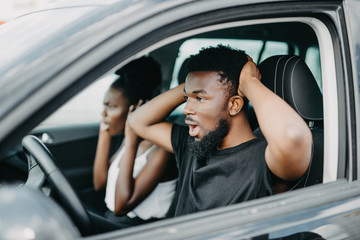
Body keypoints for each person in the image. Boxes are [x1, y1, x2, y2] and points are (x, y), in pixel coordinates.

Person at [127, 45, 312, 217]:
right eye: (186, 98)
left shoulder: (264, 159)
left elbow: (292, 136)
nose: (186, 108)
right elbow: (137, 122)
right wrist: (191, 87)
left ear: (234, 105)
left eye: (199, 98)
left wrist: (249, 82)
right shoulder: (195, 144)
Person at [92, 56, 178, 228]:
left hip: (141, 229)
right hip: (114, 220)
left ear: (136, 107)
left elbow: (122, 206)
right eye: (104, 105)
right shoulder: (130, 138)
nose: (104, 113)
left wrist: (131, 141)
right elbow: (100, 183)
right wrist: (105, 134)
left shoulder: (162, 148)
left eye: (111, 106)